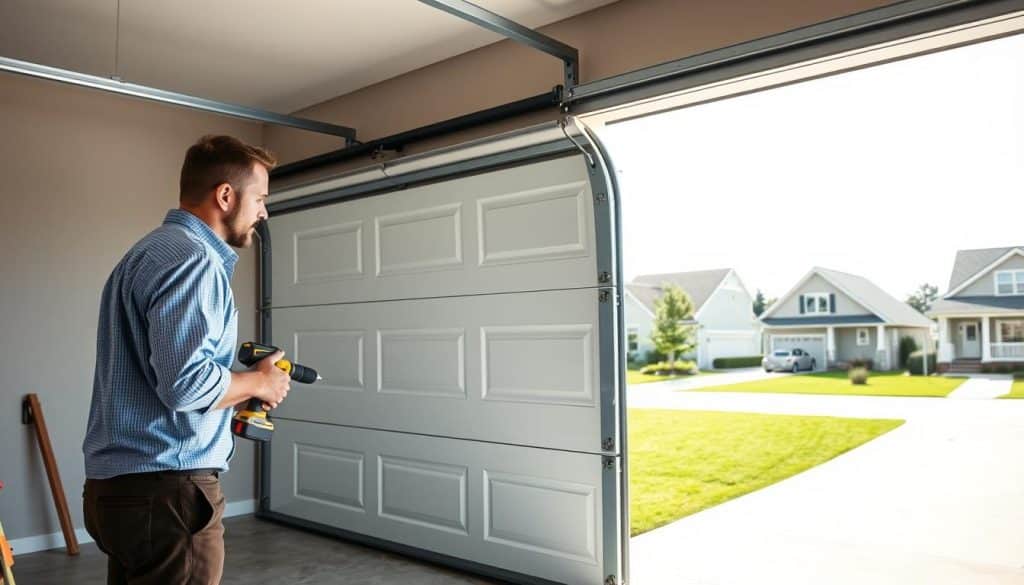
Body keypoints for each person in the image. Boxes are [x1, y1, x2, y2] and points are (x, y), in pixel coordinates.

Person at [82, 135, 291, 585]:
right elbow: (186, 386)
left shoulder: (148, 252)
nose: (263, 212)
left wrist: (237, 386)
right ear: (225, 195)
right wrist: (258, 383)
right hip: (169, 491)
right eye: (260, 199)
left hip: (119, 490)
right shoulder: (195, 262)